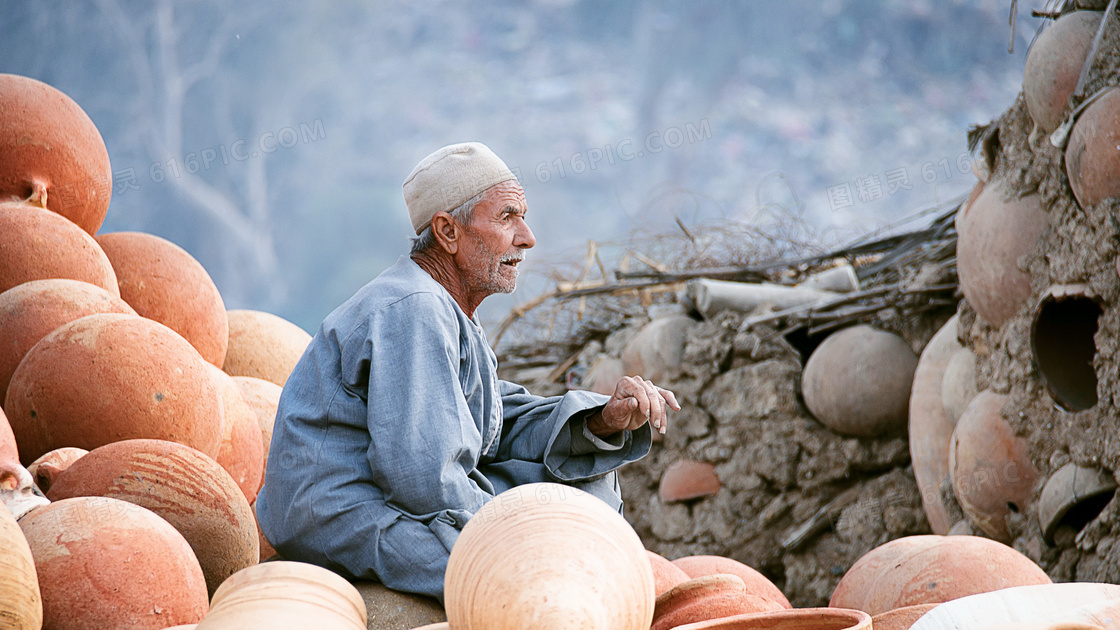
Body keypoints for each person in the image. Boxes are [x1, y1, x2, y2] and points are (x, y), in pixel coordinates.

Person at [256, 142, 679, 600]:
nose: (527, 237)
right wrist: (522, 529)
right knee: (530, 575)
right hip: (343, 513)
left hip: (396, 498)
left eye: (523, 216)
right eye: (507, 218)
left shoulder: (447, 310)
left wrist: (602, 420)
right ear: (448, 232)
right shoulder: (414, 309)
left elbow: (496, 421)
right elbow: (425, 482)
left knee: (586, 492)